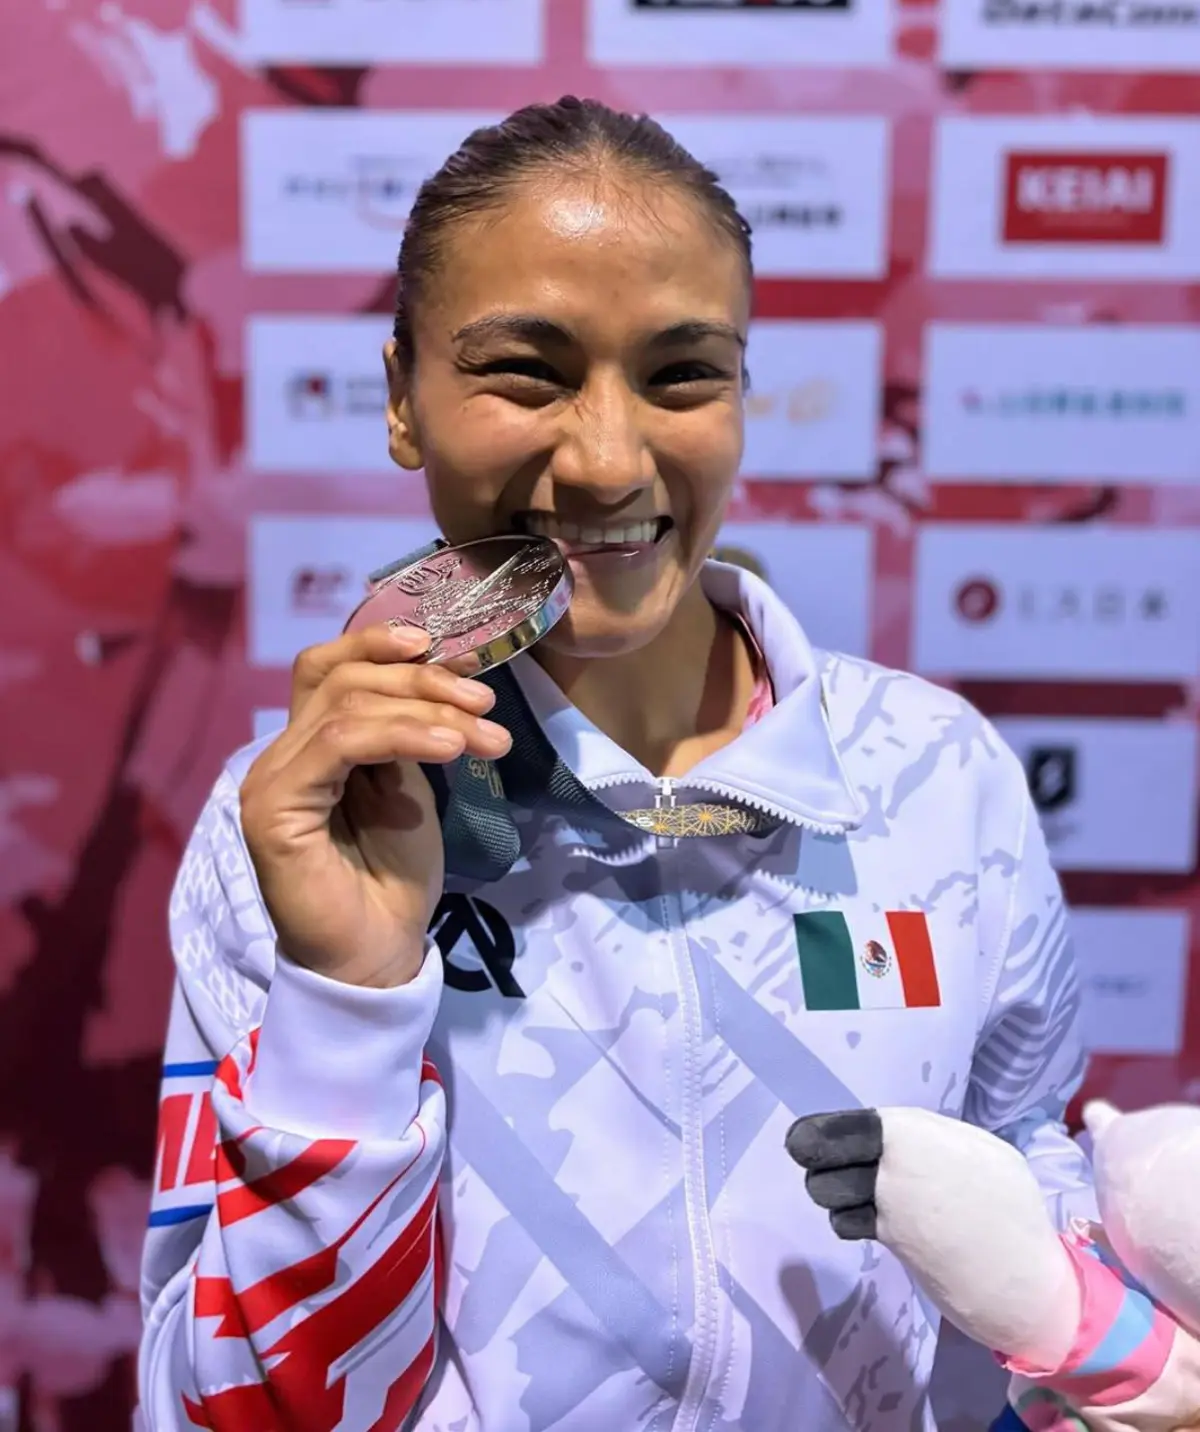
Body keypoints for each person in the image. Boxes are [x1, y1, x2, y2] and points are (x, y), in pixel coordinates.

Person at [138, 97, 1095, 1432]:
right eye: (526, 373)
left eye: (682, 373)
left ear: (746, 394)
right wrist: (351, 999)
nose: (605, 458)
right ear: (401, 398)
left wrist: (1121, 1344)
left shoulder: (939, 776)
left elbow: (1029, 1206)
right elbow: (225, 1411)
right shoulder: (290, 826)